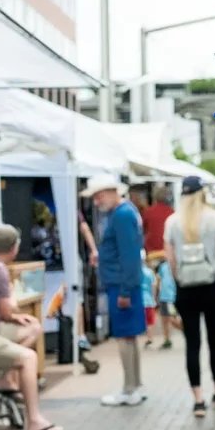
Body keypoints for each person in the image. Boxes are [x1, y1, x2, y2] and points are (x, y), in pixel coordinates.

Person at [0, 224, 64, 430]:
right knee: (29, 358)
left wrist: (17, 318)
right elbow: (7, 311)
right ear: (14, 247)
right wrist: (13, 298)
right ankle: (33, 420)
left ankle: (5, 377)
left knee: (32, 327)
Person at [165, 175, 215, 418]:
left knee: (192, 344)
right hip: (212, 285)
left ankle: (198, 399)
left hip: (186, 287)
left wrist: (178, 280)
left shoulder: (172, 222)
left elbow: (170, 258)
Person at [88, 174, 147, 406]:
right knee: (129, 337)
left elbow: (129, 256)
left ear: (112, 192)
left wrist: (124, 291)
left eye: (99, 196)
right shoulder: (125, 212)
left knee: (124, 337)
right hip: (124, 283)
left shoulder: (121, 216)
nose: (96, 202)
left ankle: (129, 388)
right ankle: (134, 385)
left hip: (121, 285)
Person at [139, 184, 180, 348]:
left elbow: (142, 230)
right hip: (167, 253)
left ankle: (153, 316)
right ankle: (171, 322)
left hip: (153, 256)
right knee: (168, 290)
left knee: (152, 288)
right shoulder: (172, 213)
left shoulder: (148, 212)